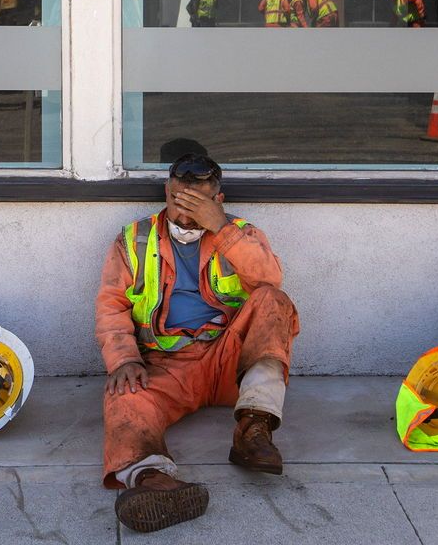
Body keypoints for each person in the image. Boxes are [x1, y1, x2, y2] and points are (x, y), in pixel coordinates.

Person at [97, 153, 300, 532]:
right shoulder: (133, 239)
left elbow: (268, 278)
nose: (184, 214)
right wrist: (123, 358)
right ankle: (154, 480)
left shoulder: (241, 232)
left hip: (227, 360)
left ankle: (253, 432)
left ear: (218, 200)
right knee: (122, 395)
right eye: (177, 200)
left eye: (197, 204)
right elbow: (111, 305)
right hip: (165, 364)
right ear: (166, 193)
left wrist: (220, 228)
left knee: (274, 302)